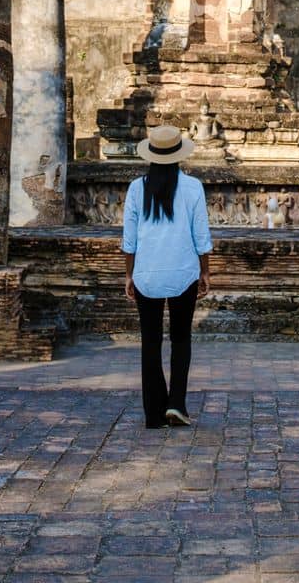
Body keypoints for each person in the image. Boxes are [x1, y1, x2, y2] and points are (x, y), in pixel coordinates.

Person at [122, 123, 212, 429]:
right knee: (181, 338)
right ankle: (176, 404)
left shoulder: (137, 188)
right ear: (178, 156)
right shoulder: (193, 187)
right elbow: (201, 234)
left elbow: (129, 239)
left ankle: (153, 412)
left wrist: (129, 275)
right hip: (184, 271)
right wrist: (205, 271)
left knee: (150, 342)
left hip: (146, 271)